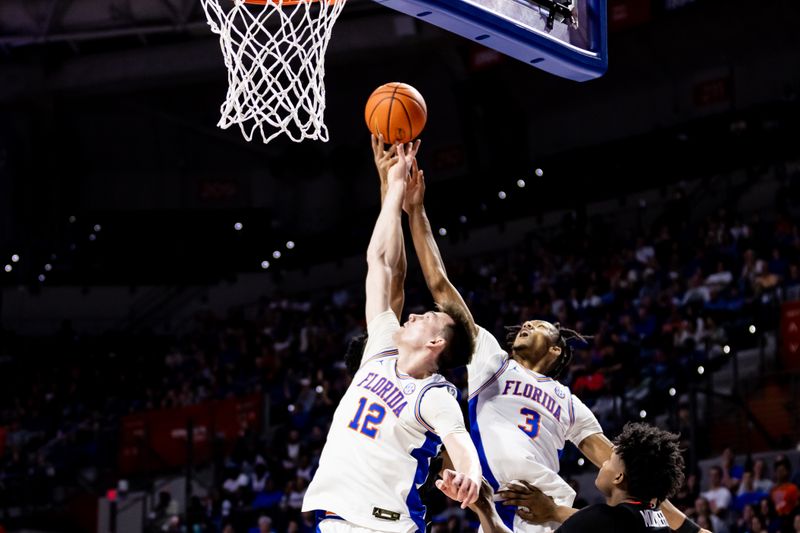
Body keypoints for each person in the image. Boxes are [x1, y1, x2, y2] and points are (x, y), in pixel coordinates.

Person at [402, 150, 697, 532]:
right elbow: (441, 286)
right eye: (525, 323)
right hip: (495, 506)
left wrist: (688, 528)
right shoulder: (492, 359)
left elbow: (633, 475)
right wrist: (416, 213)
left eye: (538, 325)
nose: (525, 324)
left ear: (556, 348)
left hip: (548, 513)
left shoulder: (570, 403)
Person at [302, 139, 482, 532]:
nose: (413, 314)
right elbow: (381, 265)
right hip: (335, 520)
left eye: (426, 319)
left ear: (437, 344)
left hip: (388, 524)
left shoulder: (433, 396)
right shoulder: (380, 350)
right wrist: (393, 185)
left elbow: (459, 439)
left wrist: (469, 474)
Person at [437, 423, 703, 533]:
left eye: (610, 459)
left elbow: (599, 523)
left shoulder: (601, 519)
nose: (604, 461)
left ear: (620, 476)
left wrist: (485, 509)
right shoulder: (657, 518)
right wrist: (554, 510)